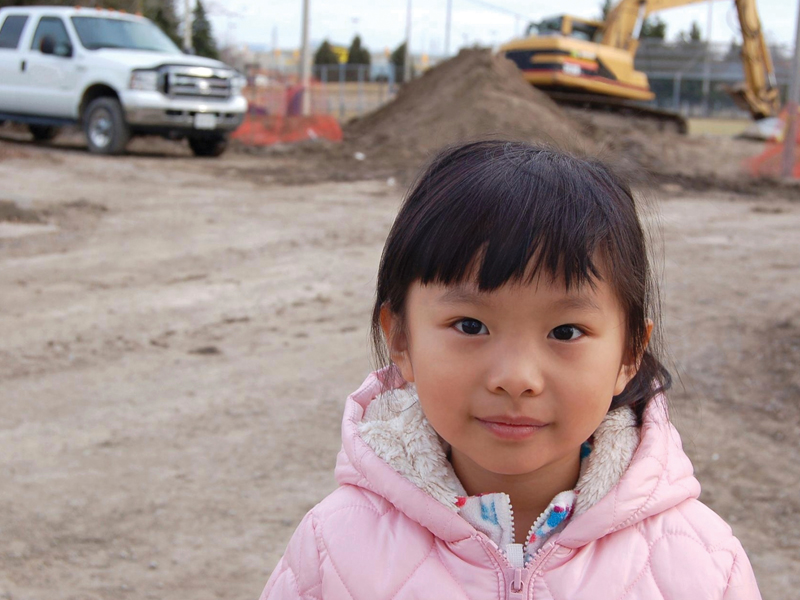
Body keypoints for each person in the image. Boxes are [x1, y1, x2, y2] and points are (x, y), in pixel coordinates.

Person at [258, 141, 761, 599]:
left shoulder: (700, 562)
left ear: (629, 354)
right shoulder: (333, 547)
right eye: (471, 325)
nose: (517, 378)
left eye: (566, 332)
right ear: (402, 339)